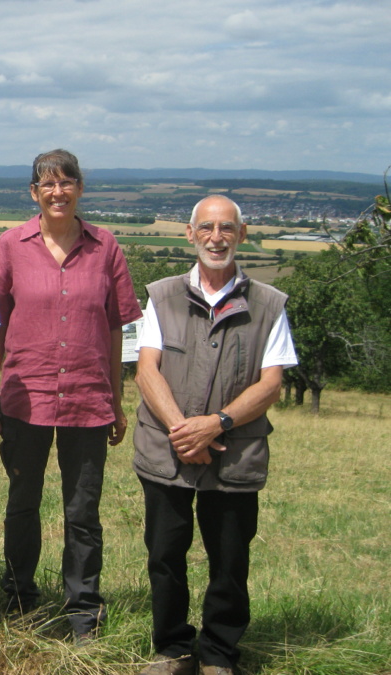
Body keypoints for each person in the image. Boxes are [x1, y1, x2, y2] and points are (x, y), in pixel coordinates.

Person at [133, 195, 296, 675]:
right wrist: (184, 432)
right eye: (206, 227)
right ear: (190, 234)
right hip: (167, 452)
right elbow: (146, 370)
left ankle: (219, 654)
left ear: (241, 235)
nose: (216, 237)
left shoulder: (269, 304)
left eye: (227, 228)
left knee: (229, 559)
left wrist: (215, 424)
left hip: (234, 453)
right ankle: (173, 650)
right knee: (165, 554)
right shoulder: (161, 296)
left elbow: (271, 383)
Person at [0, 149, 141, 641]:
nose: (58, 192)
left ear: (79, 188)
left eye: (66, 182)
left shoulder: (105, 247)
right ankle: (19, 601)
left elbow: (115, 328)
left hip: (87, 399)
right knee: (22, 504)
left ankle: (83, 612)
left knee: (83, 512)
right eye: (48, 184)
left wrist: (117, 401)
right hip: (24, 397)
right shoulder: (10, 246)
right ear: (34, 193)